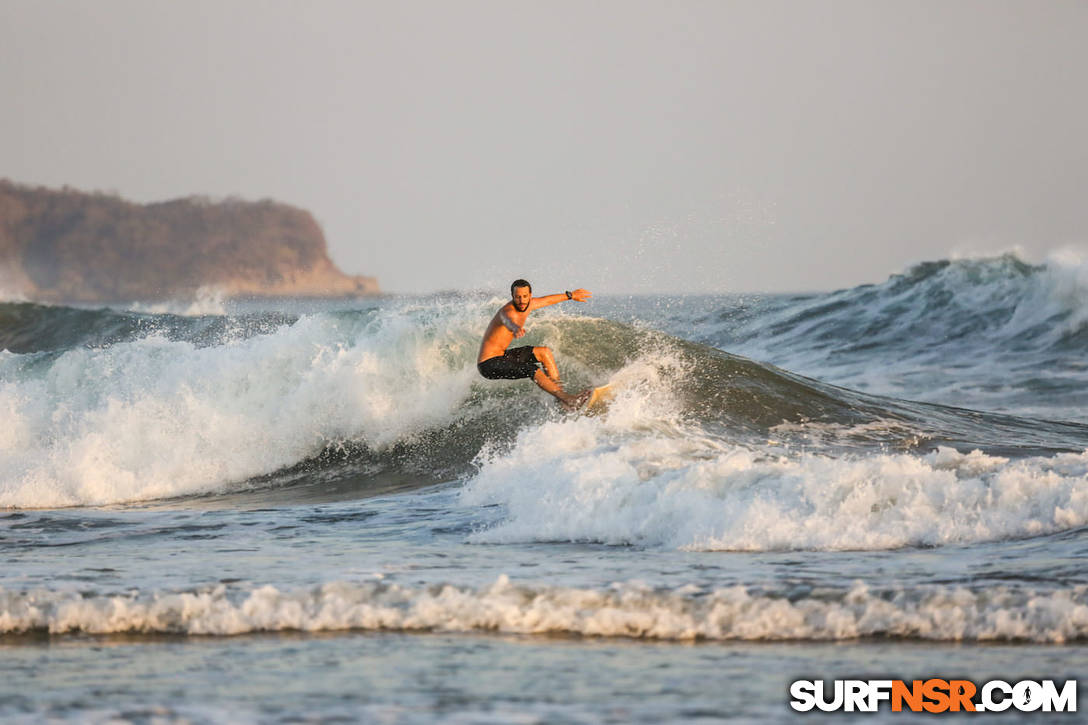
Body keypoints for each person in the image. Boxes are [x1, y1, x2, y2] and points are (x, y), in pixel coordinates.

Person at [478, 279, 592, 409]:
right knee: (530, 368)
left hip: (502, 355)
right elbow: (507, 320)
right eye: (518, 297)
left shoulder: (529, 304)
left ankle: (561, 401)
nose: (521, 300)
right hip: (488, 364)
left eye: (525, 296)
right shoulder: (507, 311)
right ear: (512, 297)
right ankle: (568, 400)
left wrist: (570, 295)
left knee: (544, 352)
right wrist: (515, 328)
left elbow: (547, 300)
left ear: (530, 295)